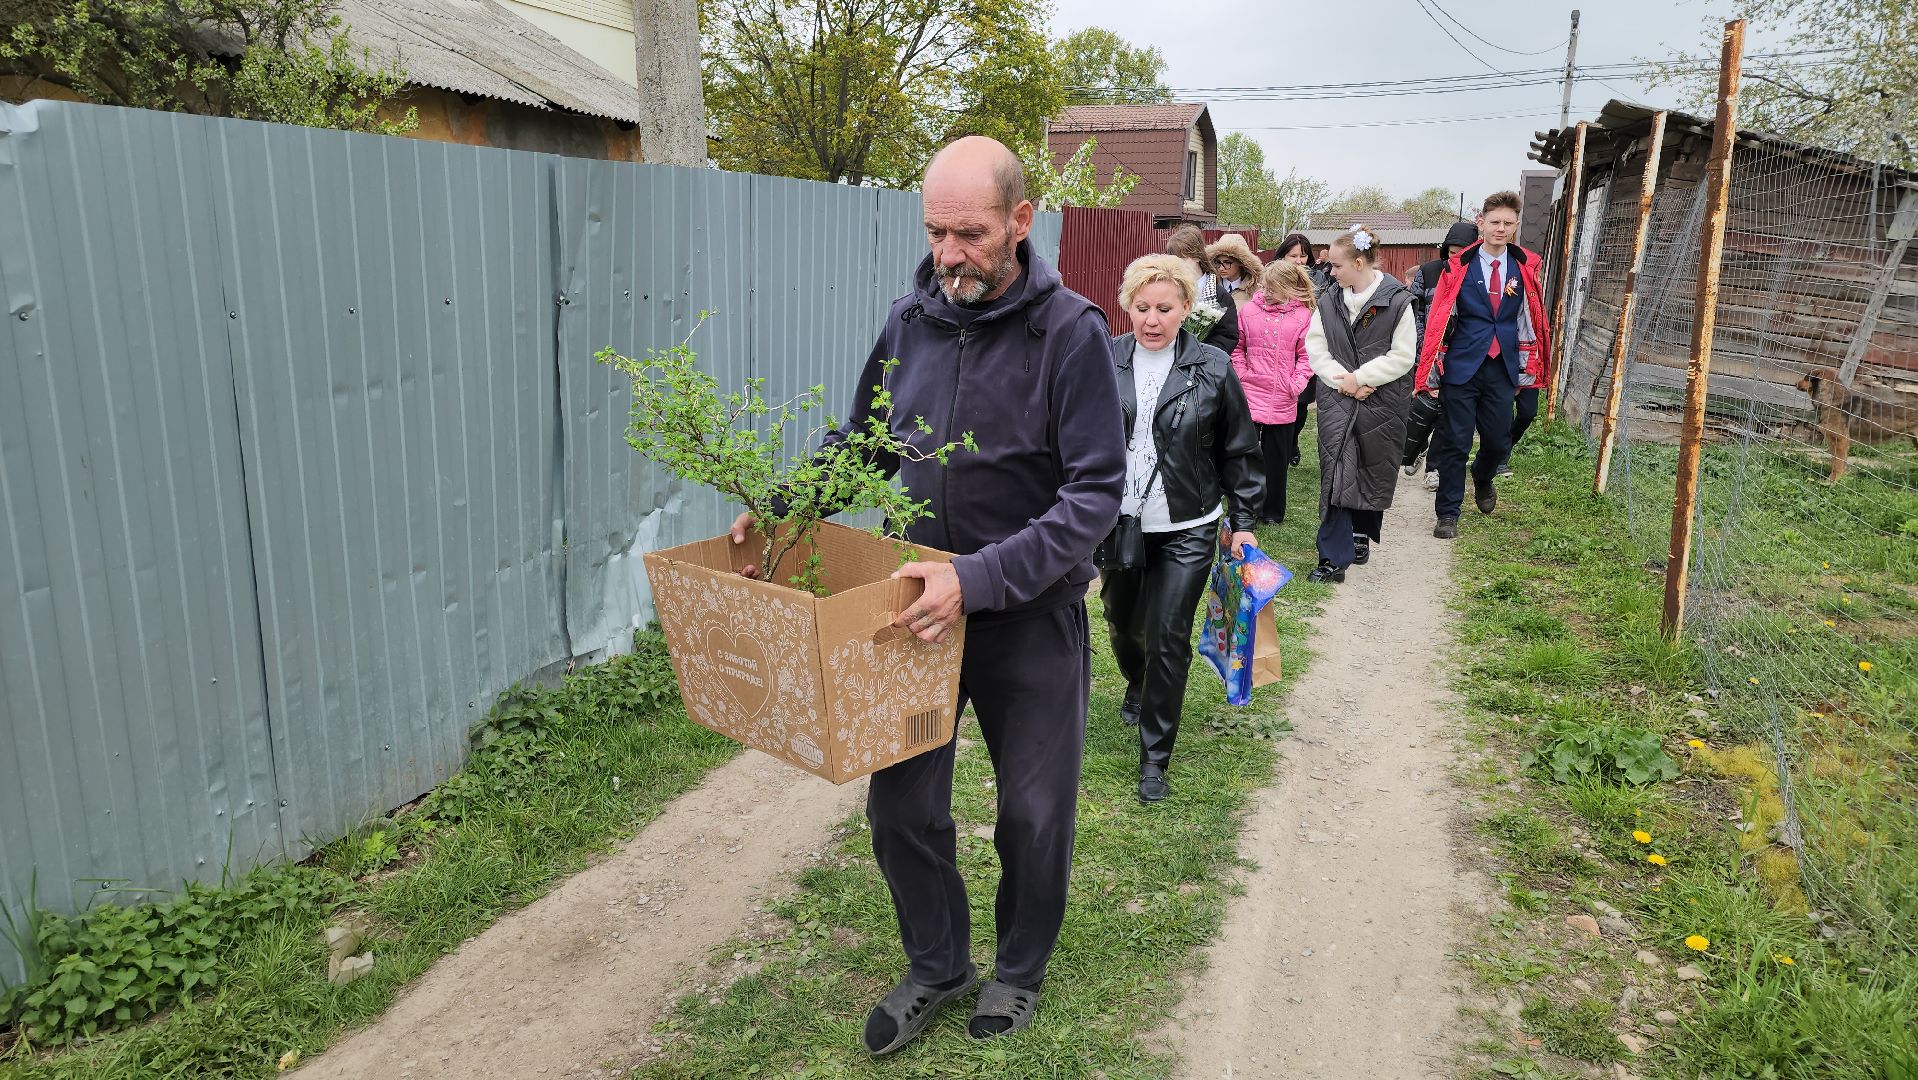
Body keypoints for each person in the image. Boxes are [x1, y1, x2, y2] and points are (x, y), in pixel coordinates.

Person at [729, 136, 1125, 1054]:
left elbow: (1095, 494)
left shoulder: (1069, 333)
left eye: (971, 234)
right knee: (901, 810)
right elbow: (866, 439)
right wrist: (785, 506)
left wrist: (977, 577)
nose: (949, 254)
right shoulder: (912, 318)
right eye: (936, 231)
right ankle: (939, 964)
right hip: (911, 615)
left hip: (1027, 618)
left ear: (1022, 223)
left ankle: (1017, 972)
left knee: (1033, 814)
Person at [1103, 254, 1262, 804]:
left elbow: (1240, 449)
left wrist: (1242, 522)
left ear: (1187, 309)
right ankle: (1136, 677)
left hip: (1188, 522)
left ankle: (1154, 759)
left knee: (1169, 635)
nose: (1152, 319)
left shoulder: (1212, 366)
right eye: (1141, 307)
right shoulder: (1105, 358)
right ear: (1127, 307)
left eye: (1165, 308)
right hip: (1119, 522)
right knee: (1125, 626)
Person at [1415, 191, 1552, 540]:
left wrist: (1529, 366)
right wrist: (1432, 366)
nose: (1501, 228)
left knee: (1496, 440)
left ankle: (1483, 474)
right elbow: (1439, 318)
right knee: (1455, 442)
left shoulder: (1524, 268)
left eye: (1508, 223)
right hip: (1462, 366)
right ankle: (1447, 513)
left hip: (1503, 366)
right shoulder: (1459, 267)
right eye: (1495, 222)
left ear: (1516, 225)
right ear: (1482, 223)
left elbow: (1530, 319)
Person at [1303, 225, 1417, 582]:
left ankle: (1360, 533)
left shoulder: (1397, 301)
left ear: (1358, 262)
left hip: (1382, 399)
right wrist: (1346, 382)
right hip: (1338, 396)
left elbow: (1403, 355)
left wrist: (1363, 378)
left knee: (1372, 464)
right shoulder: (1328, 301)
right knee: (1336, 469)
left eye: (1336, 266)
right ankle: (1332, 557)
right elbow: (1316, 347)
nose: (1330, 272)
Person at [1230, 259, 1317, 524]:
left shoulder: (1303, 316)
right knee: (1246, 457)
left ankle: (1272, 511)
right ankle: (1246, 509)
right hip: (1250, 392)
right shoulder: (1248, 312)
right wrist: (1242, 374)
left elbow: (1307, 356)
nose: (1266, 292)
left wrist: (1296, 383)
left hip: (1283, 396)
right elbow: (1237, 346)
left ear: (1289, 288)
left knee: (1276, 458)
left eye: (1273, 287)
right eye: (1264, 286)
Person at [1402, 221, 1479, 493]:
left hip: (1462, 355)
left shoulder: (1476, 276)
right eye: (1451, 250)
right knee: (1426, 408)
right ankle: (1418, 447)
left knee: (1450, 413)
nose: (1454, 257)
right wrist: (1425, 348)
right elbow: (1415, 311)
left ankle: (1434, 467)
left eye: (1462, 252)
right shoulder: (1429, 272)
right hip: (1429, 353)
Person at [1272, 232, 1332, 465]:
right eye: (1293, 255)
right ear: (1282, 256)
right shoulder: (1273, 277)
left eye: (1303, 255)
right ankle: (1280, 442)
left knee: (1301, 401)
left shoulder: (1318, 279)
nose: (1299, 261)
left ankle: (1292, 440)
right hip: (1278, 344)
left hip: (1307, 345)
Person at [1165, 224, 1240, 355]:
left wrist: (1200, 352)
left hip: (1206, 364)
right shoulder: (1168, 290)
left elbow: (1227, 336)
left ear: (1196, 256)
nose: (1177, 265)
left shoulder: (1220, 296)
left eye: (1182, 259)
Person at [1205, 233, 1263, 309]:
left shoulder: (1255, 291)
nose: (1221, 268)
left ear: (1240, 262)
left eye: (1227, 263)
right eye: (1218, 262)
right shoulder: (1209, 286)